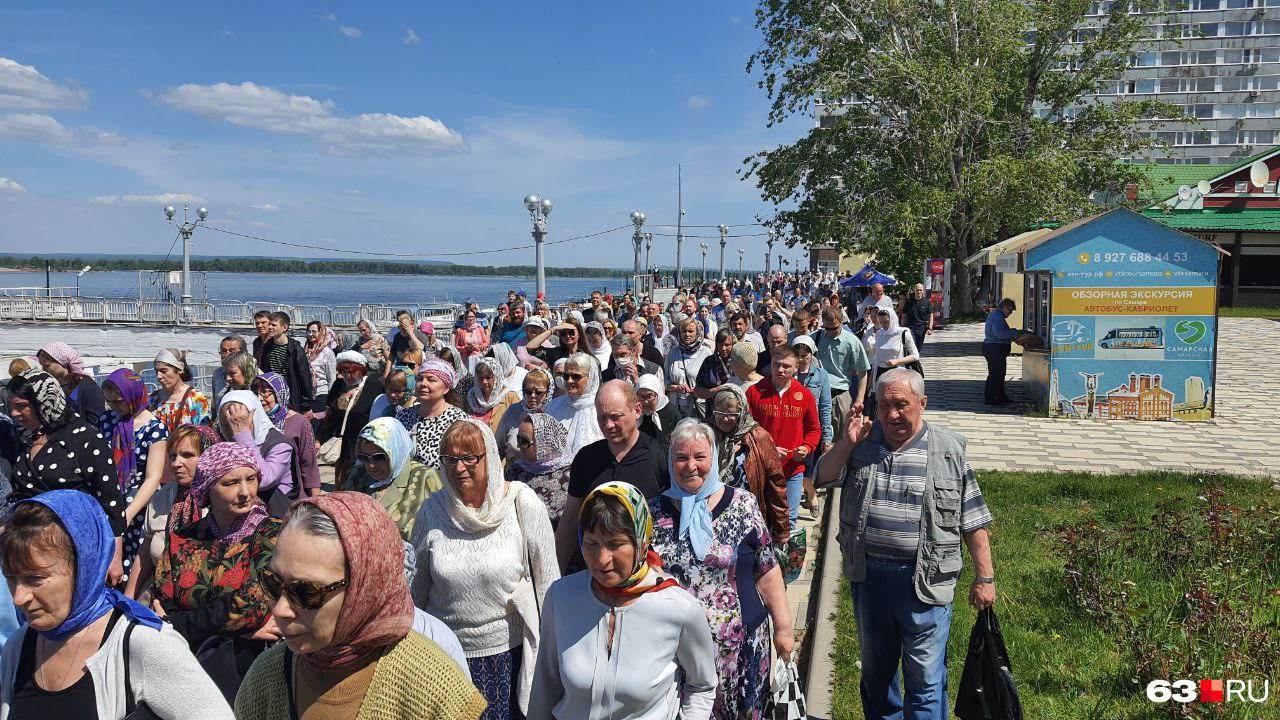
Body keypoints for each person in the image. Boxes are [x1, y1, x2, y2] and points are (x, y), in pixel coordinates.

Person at [816, 368, 996, 719]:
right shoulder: (862, 442)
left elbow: (972, 518)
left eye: (902, 404)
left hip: (925, 581)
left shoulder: (948, 450)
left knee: (926, 680)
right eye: (885, 405)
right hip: (870, 578)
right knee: (877, 674)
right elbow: (822, 476)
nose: (893, 414)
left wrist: (984, 577)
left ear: (922, 404)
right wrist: (848, 442)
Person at [236, 492, 486, 720]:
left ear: (364, 589)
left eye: (305, 591)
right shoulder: (266, 679)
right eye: (272, 583)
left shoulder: (435, 687)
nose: (280, 609)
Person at [0, 490, 232, 719]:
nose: (18, 598)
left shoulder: (144, 644)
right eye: (11, 578)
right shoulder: (19, 646)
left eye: (35, 578)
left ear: (84, 567)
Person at [527, 481, 717, 720]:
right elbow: (545, 686)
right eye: (591, 544)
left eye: (615, 544)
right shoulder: (561, 597)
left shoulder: (679, 609)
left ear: (640, 541)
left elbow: (702, 686)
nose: (602, 559)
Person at [410, 419, 559, 719]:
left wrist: (554, 654)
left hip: (509, 659)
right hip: (447, 659)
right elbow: (416, 591)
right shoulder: (432, 511)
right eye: (450, 459)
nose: (459, 468)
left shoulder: (521, 503)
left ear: (489, 456)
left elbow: (549, 584)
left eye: (469, 458)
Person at [648, 419, 795, 720]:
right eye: (681, 457)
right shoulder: (653, 511)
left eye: (700, 457)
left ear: (713, 458)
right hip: (673, 651)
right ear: (670, 460)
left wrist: (783, 628)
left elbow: (766, 570)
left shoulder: (742, 504)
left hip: (739, 649)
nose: (691, 466)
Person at [153, 442, 282, 698]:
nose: (245, 492)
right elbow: (163, 603)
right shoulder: (183, 540)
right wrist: (241, 627)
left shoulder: (272, 534)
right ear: (207, 488)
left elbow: (252, 605)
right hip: (187, 669)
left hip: (248, 672)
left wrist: (177, 624)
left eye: (251, 479)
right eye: (231, 483)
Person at [6, 368, 128, 582]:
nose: (14, 413)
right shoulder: (29, 437)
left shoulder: (84, 437)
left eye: (21, 406)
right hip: (34, 550)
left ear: (44, 402)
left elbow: (111, 502)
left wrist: (115, 556)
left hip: (76, 548)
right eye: (11, 406)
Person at [555, 381, 669, 573]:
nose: (608, 425)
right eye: (602, 418)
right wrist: (554, 571)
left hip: (645, 573)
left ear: (637, 410)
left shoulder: (660, 456)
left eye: (616, 417)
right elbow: (570, 519)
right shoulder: (586, 458)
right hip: (596, 570)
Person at [127, 423, 218, 602]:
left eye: (187, 455)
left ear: (209, 456)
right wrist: (128, 600)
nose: (176, 463)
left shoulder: (222, 498)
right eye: (173, 456)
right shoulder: (162, 497)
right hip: (158, 594)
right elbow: (145, 555)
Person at [98, 369, 169, 583]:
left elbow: (153, 478)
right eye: (109, 402)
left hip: (139, 505)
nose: (114, 407)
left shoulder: (155, 428)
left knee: (133, 565)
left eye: (118, 402)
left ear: (133, 396)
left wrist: (126, 515)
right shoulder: (107, 420)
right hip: (110, 499)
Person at [746, 346, 820, 530]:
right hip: (762, 469)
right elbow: (745, 429)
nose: (780, 370)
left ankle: (786, 558)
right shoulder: (754, 392)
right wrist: (767, 449)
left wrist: (807, 447)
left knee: (789, 521)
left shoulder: (805, 395)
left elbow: (814, 429)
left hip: (792, 470)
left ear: (796, 366)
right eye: (776, 365)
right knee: (760, 519)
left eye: (786, 366)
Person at [707, 385, 789, 547]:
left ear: (742, 411)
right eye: (719, 414)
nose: (724, 419)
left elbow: (776, 484)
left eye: (731, 414)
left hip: (749, 517)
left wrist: (782, 528)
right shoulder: (705, 435)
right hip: (712, 517)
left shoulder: (760, 437)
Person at [346, 416, 440, 538]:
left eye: (380, 457)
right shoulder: (357, 476)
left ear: (396, 450)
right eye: (364, 457)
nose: (371, 465)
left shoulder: (426, 478)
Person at [217, 390, 297, 514]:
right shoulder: (225, 445)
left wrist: (243, 434)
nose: (232, 431)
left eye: (238, 422)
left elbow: (265, 480)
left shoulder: (280, 444)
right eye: (226, 426)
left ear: (254, 418)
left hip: (277, 520)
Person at [316, 352, 384, 488]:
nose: (347, 376)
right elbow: (331, 416)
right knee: (342, 481)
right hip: (344, 444)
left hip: (365, 445)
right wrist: (319, 439)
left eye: (352, 372)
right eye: (343, 372)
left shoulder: (373, 386)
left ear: (361, 370)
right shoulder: (338, 385)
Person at [253, 372, 321, 498]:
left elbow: (309, 462)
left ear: (279, 393)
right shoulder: (253, 421)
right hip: (259, 493)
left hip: (291, 495)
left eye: (266, 393)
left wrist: (315, 499)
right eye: (256, 393)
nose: (259, 398)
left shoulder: (299, 422)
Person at [505, 412, 574, 529]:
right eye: (518, 439)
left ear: (544, 443)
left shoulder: (572, 473)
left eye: (524, 441)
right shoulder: (516, 470)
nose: (519, 445)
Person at [399, 358, 469, 468]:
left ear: (446, 388)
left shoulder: (459, 421)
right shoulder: (403, 416)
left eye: (431, 380)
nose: (423, 384)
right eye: (420, 379)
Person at [792, 335, 832, 512]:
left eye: (805, 355)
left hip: (810, 429)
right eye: (797, 355)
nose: (801, 360)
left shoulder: (821, 375)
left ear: (811, 355)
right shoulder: (787, 373)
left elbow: (825, 405)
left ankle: (811, 493)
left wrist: (827, 436)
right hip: (791, 427)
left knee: (808, 467)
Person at [815, 306, 870, 432]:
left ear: (841, 322)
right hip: (818, 395)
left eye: (834, 328)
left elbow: (862, 371)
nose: (830, 332)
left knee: (842, 439)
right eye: (827, 328)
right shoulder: (817, 337)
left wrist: (859, 399)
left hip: (840, 395)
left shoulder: (852, 341)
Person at [540, 352, 603, 456]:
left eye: (576, 376)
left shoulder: (601, 407)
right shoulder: (552, 406)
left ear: (590, 377)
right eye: (566, 376)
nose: (569, 381)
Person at [256, 312, 315, 415]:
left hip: (291, 397)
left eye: (274, 325)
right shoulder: (266, 348)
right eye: (269, 324)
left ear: (284, 327)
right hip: (272, 397)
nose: (269, 327)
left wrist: (306, 405)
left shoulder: (295, 349)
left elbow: (304, 377)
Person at [36, 342, 105, 427]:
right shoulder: (53, 386)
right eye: (42, 366)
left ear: (62, 362)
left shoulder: (87, 387)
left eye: (47, 365)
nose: (44, 370)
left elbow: (96, 420)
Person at [494, 367, 552, 463]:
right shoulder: (513, 411)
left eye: (538, 392)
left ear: (548, 392)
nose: (532, 396)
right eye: (528, 392)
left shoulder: (554, 411)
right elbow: (497, 448)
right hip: (514, 474)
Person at [149, 348, 211, 433]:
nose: (158, 376)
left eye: (164, 371)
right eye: (156, 371)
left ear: (179, 369)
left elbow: (204, 433)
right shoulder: (153, 399)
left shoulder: (195, 398)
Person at [665, 317, 709, 417]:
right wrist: (677, 387)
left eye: (690, 331)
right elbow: (665, 381)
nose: (687, 334)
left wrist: (698, 390)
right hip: (676, 407)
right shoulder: (673, 353)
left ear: (697, 333)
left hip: (697, 408)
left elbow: (712, 384)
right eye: (684, 331)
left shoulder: (706, 353)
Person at [870, 307, 921, 390]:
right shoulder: (879, 334)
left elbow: (915, 355)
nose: (883, 325)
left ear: (892, 319)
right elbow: (877, 358)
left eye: (886, 322)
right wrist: (872, 379)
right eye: (881, 322)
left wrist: (897, 361)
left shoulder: (903, 333)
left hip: (897, 372)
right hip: (880, 372)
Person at [983, 298, 1021, 405]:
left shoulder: (997, 316)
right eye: (1010, 310)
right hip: (994, 349)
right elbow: (999, 333)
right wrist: (1014, 333)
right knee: (995, 374)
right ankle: (991, 398)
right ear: (1004, 307)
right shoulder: (998, 317)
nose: (1010, 313)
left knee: (999, 374)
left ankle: (1000, 396)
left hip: (995, 348)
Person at [466, 358, 520, 433]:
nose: (484, 382)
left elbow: (519, 423)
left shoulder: (509, 397)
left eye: (488, 378)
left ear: (496, 376)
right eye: (480, 378)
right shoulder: (472, 397)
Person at [636, 374, 682, 453]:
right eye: (641, 396)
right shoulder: (635, 414)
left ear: (658, 394)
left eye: (649, 396)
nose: (645, 401)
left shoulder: (672, 414)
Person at [304, 320, 337, 417]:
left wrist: (331, 399)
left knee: (317, 423)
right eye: (308, 331)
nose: (310, 334)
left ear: (321, 332)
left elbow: (331, 377)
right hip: (306, 394)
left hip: (321, 393)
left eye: (314, 332)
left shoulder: (327, 352)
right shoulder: (304, 350)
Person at [218, 350, 259, 418]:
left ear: (247, 372)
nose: (227, 378)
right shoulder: (231, 393)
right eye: (225, 374)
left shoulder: (261, 397)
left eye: (232, 373)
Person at [212, 336, 247, 412]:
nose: (227, 355)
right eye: (223, 351)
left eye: (232, 351)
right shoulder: (217, 374)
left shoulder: (256, 375)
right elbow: (214, 405)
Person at [901, 282, 934, 350]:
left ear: (923, 291)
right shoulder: (909, 301)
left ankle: (915, 358)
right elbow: (904, 315)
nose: (919, 291)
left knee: (919, 345)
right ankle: (912, 359)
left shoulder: (926, 302)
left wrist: (930, 328)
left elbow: (930, 315)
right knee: (911, 344)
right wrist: (902, 327)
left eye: (920, 290)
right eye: (917, 290)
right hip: (911, 326)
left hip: (921, 327)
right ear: (914, 290)